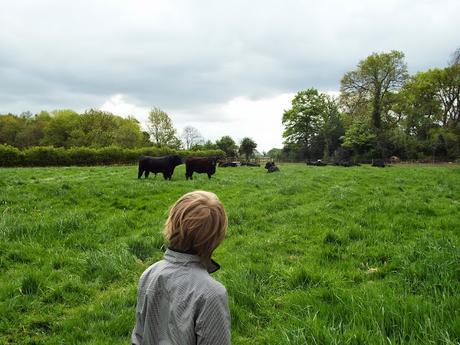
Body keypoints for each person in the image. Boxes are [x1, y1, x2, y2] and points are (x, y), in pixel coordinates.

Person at [132, 191, 231, 345]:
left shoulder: (149, 273)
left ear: (172, 223)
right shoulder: (211, 294)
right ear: (216, 237)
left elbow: (138, 336)